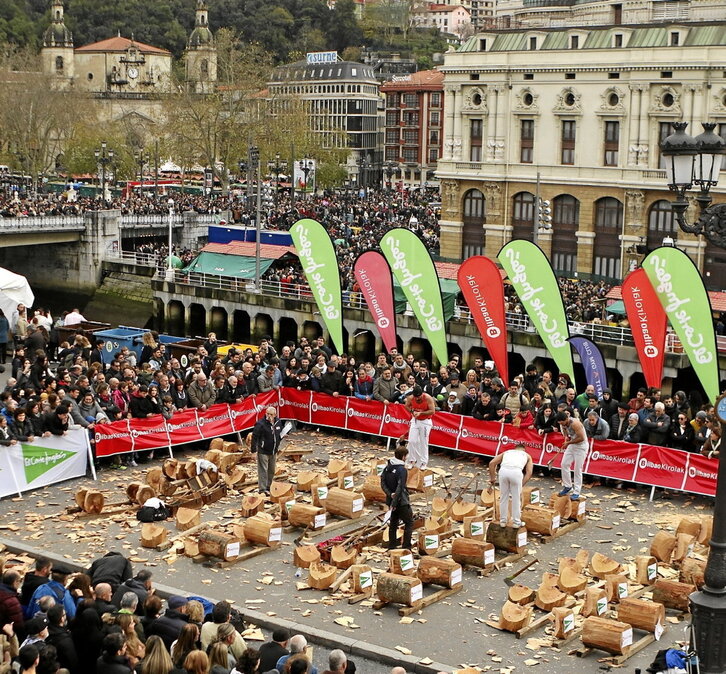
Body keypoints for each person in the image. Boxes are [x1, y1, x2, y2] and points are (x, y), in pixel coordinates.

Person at [487, 444, 533, 528]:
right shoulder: (527, 455)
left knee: (503, 497)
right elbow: (529, 473)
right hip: (516, 472)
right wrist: (521, 484)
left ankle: (503, 521)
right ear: (524, 450)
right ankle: (516, 522)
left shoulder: (507, 452)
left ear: (515, 449)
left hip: (503, 471)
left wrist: (493, 478)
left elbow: (492, 463)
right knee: (516, 498)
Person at [380, 443, 413, 551]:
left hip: (391, 500)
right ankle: (406, 546)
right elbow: (400, 487)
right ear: (403, 457)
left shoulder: (387, 467)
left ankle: (392, 545)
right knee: (409, 522)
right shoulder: (402, 470)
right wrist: (395, 500)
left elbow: (383, 483)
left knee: (393, 524)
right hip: (401, 502)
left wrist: (390, 494)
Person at [251, 406, 284, 495]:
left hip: (273, 450)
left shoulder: (278, 422)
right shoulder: (260, 424)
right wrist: (254, 451)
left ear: (275, 415)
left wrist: (282, 436)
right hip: (263, 450)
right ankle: (262, 489)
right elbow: (254, 437)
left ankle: (269, 487)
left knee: (271, 470)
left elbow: (279, 434)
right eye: (267, 414)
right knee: (263, 470)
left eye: (271, 414)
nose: (268, 416)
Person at [556, 411, 588, 500]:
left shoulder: (575, 424)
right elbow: (567, 434)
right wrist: (566, 438)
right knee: (564, 464)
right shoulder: (563, 424)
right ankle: (567, 486)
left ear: (566, 419)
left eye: (562, 423)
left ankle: (576, 492)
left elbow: (581, 438)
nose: (561, 425)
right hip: (572, 444)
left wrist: (569, 442)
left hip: (581, 446)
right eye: (560, 423)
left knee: (577, 469)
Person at [404, 386, 435, 469]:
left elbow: (432, 411)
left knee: (423, 442)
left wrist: (421, 413)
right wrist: (412, 411)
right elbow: (406, 406)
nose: (417, 399)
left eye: (419, 397)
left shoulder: (428, 398)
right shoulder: (411, 398)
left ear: (422, 394)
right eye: (416, 397)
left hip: (425, 421)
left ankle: (423, 462)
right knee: (412, 441)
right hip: (415, 420)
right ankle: (411, 460)